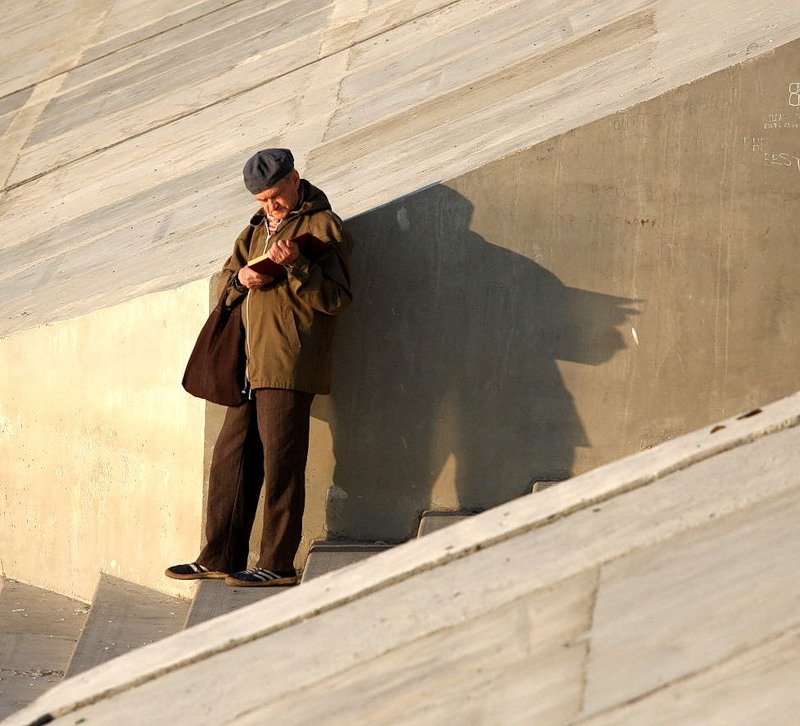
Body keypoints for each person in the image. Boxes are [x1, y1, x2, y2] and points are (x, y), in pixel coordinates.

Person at [166, 148, 353, 586]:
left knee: (281, 463)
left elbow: (338, 298)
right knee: (229, 458)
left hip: (288, 362)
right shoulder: (252, 233)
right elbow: (227, 286)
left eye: (275, 196)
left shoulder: (324, 227)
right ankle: (219, 555)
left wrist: (297, 265)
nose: (272, 206)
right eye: (262, 201)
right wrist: (240, 281)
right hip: (248, 363)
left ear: (295, 179)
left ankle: (276, 563)